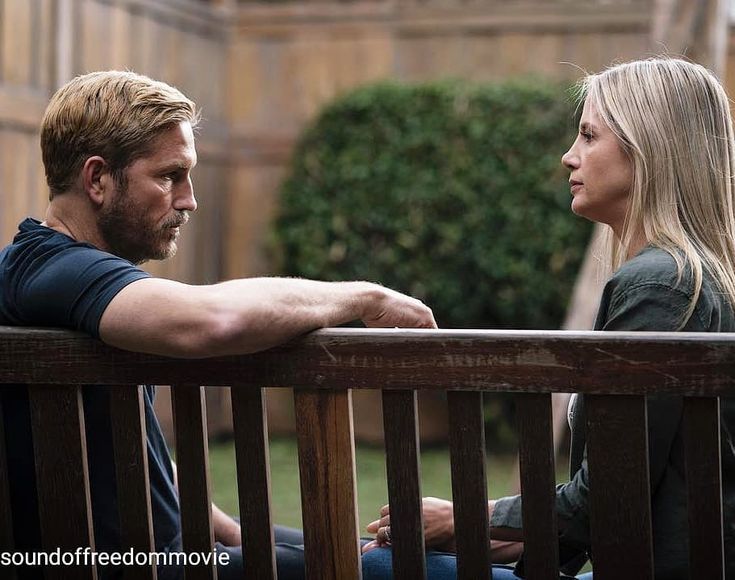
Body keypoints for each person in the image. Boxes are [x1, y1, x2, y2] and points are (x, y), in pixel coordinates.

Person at [0, 70, 437, 580]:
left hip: (164, 554)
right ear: (97, 179)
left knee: (383, 551)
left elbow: (135, 457)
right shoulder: (52, 271)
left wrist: (234, 533)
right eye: (169, 176)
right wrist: (367, 297)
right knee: (387, 564)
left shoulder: (50, 273)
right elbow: (215, 320)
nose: (189, 200)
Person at [361, 57, 735, 580]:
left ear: (648, 149)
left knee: (378, 563)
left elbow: (610, 496)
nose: (568, 156)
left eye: (589, 135)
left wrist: (467, 515)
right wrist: (494, 537)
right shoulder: (697, 278)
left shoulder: (660, 286)